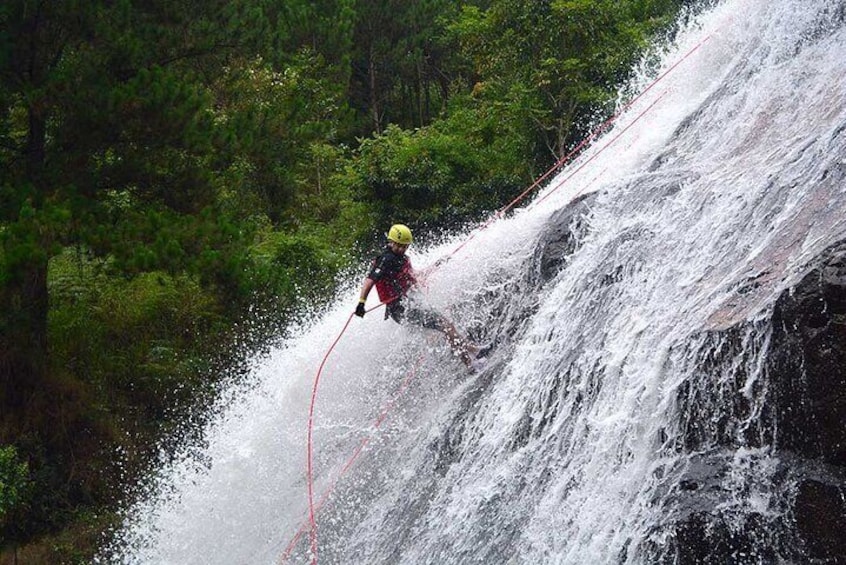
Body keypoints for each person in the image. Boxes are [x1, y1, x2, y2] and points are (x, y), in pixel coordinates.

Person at [355, 223, 488, 369]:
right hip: (399, 310)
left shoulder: (403, 259)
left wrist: (437, 265)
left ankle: (474, 352)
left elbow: (416, 276)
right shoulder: (385, 259)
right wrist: (361, 303)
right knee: (446, 326)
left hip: (408, 305)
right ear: (391, 242)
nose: (402, 249)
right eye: (399, 245)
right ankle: (470, 364)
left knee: (447, 325)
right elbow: (369, 280)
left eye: (405, 246)